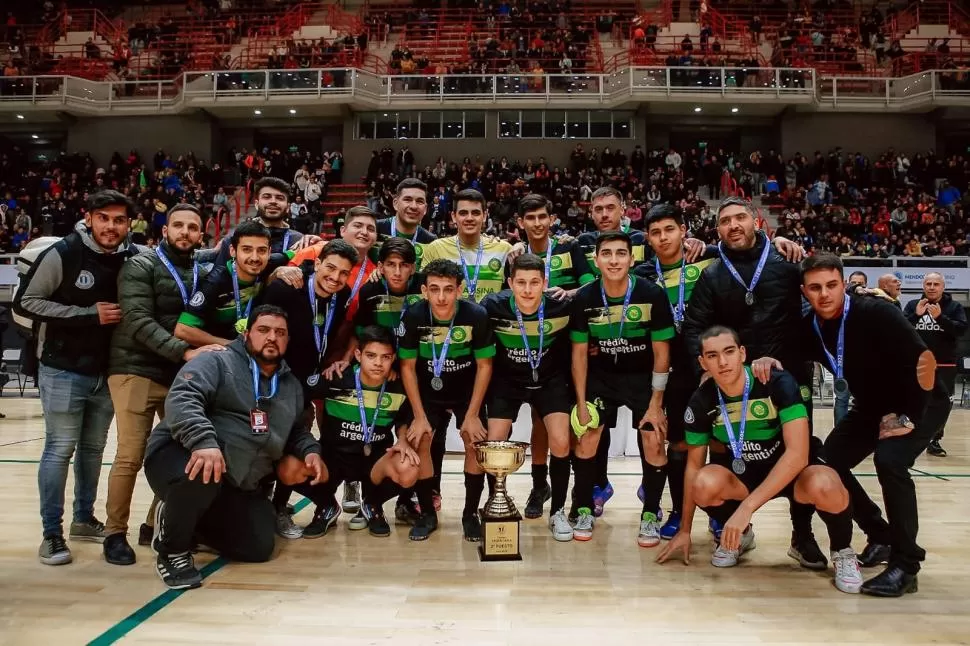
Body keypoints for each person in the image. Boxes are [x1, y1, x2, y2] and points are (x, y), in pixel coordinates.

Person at [757, 253, 938, 596]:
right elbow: (787, 352)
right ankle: (880, 535)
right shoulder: (811, 324)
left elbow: (924, 361)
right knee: (825, 464)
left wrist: (908, 416)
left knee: (890, 461)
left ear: (844, 284)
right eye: (815, 288)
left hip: (920, 401)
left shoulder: (876, 311)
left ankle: (906, 564)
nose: (824, 294)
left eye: (831, 285)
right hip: (870, 407)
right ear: (804, 291)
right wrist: (769, 358)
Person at [655, 326, 863, 595]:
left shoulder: (777, 382)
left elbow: (797, 455)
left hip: (792, 473)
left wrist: (747, 508)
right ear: (702, 362)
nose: (722, 362)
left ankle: (843, 551)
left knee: (826, 483)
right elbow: (693, 466)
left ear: (742, 354)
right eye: (713, 355)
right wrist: (685, 529)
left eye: (729, 352)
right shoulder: (701, 400)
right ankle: (741, 536)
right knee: (703, 483)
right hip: (744, 476)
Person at [683, 196, 825, 571]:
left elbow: (816, 297)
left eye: (740, 218)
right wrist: (705, 370)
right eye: (726, 221)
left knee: (799, 455)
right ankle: (736, 529)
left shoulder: (787, 261)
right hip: (735, 379)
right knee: (731, 452)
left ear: (756, 222)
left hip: (788, 375)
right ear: (718, 231)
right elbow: (694, 326)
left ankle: (802, 535)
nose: (734, 225)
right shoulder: (712, 274)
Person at [144, 305, 324, 590]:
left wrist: (310, 450)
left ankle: (190, 523)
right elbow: (182, 398)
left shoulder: (290, 385)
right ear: (247, 334)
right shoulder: (218, 361)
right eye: (263, 330)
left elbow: (295, 432)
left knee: (258, 548)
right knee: (203, 472)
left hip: (237, 480)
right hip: (182, 456)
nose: (272, 338)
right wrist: (203, 442)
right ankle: (173, 549)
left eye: (280, 333)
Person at [14, 190, 142, 566]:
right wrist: (87, 313)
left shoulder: (133, 257)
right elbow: (27, 301)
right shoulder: (65, 252)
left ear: (129, 224)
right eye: (104, 218)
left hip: (108, 373)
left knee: (93, 451)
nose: (111, 226)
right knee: (60, 448)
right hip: (63, 368)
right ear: (89, 217)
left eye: (119, 220)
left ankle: (84, 519)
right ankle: (51, 534)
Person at [103, 204, 224, 565]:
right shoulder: (139, 265)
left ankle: (154, 523)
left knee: (178, 457)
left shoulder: (201, 268)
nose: (185, 232)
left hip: (177, 378)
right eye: (178, 226)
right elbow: (138, 321)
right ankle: (114, 533)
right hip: (136, 369)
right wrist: (185, 352)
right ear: (165, 230)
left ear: (201, 235)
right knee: (130, 455)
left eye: (192, 228)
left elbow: (227, 251)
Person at [570, 231, 673, 544]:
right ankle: (585, 507)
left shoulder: (652, 293)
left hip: (642, 378)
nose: (613, 260)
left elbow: (662, 353)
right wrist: (581, 402)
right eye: (607, 254)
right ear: (597, 259)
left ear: (631, 259)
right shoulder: (585, 297)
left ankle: (651, 512)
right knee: (587, 437)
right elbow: (578, 355)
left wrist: (656, 402)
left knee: (654, 439)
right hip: (602, 378)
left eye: (620, 254)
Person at [277, 326, 421, 539]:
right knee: (288, 468)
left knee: (409, 469)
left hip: (374, 459)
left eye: (386, 357)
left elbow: (404, 418)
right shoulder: (335, 377)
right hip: (332, 456)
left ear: (393, 359)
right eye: (371, 356)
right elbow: (297, 393)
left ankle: (372, 505)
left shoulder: (398, 385)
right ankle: (326, 506)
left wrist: (402, 439)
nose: (378, 363)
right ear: (357, 355)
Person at [258, 239, 359, 537]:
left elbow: (331, 336)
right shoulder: (286, 288)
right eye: (330, 268)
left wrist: (335, 361)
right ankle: (260, 505)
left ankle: (279, 508)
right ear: (316, 264)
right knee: (268, 445)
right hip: (272, 383)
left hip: (305, 384)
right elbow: (263, 333)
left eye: (343, 273)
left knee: (295, 444)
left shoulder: (342, 296)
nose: (335, 277)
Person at [633, 204, 719, 540]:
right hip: (666, 370)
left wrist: (784, 240)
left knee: (720, 441)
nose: (663, 237)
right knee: (678, 445)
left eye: (669, 229)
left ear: (684, 230)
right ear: (648, 239)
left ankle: (721, 514)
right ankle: (676, 511)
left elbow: (749, 250)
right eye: (655, 232)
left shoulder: (708, 257)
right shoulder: (641, 273)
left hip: (708, 366)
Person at [399, 259, 495, 540]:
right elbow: (406, 367)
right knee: (421, 439)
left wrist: (474, 413)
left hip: (466, 391)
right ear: (424, 290)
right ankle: (428, 513)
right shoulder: (414, 315)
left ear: (460, 290)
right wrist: (418, 416)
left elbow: (485, 366)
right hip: (428, 392)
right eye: (435, 289)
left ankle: (469, 514)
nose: (441, 297)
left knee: (475, 442)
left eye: (449, 290)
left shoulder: (475, 315)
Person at [482, 254, 574, 542]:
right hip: (506, 381)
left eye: (535, 282)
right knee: (495, 439)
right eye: (520, 282)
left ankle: (558, 510)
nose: (527, 289)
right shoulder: (492, 307)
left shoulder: (562, 307)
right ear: (510, 283)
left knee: (560, 439)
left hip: (549, 380)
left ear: (545, 283)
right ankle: (498, 503)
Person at [512, 194, 586, 520]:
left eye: (543, 216)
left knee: (564, 425)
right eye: (531, 218)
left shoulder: (570, 248)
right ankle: (539, 485)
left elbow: (592, 284)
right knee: (540, 421)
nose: (538, 223)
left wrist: (569, 294)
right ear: (520, 223)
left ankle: (582, 490)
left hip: (567, 344)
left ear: (552, 218)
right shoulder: (514, 256)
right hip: (528, 347)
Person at [175, 220, 271, 346]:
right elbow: (182, 330)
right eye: (246, 250)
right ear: (233, 251)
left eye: (262, 250)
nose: (255, 258)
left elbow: (293, 253)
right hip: (219, 352)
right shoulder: (214, 282)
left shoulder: (270, 265)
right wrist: (231, 346)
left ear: (269, 252)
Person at [903, 272, 966, 457]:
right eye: (928, 283)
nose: (931, 287)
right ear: (923, 286)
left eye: (935, 284)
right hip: (917, 364)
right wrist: (915, 316)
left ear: (942, 287)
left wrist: (940, 318)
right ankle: (909, 436)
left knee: (941, 405)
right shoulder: (913, 305)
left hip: (944, 364)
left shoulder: (954, 307)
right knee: (913, 402)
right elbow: (901, 328)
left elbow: (961, 330)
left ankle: (935, 440)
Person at [419, 188, 513, 303]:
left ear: (484, 216)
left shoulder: (504, 249)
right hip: (451, 320)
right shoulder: (435, 249)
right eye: (463, 213)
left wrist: (521, 245)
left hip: (492, 320)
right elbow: (424, 295)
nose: (469, 218)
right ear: (454, 216)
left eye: (475, 213)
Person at [376, 178, 437, 247]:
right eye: (407, 200)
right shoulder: (375, 229)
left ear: (425, 209)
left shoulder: (430, 241)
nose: (414, 206)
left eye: (419, 201)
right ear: (396, 204)